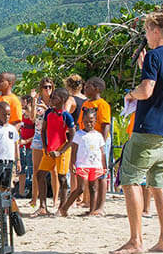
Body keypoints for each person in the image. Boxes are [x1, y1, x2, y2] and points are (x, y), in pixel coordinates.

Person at [115, 11, 163, 254]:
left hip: (147, 127)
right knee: (159, 185)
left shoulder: (154, 56)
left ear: (156, 30)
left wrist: (130, 94)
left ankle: (136, 240)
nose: (145, 35)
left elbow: (147, 90)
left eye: (146, 30)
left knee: (131, 180)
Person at [34, 87, 75, 217]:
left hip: (62, 149)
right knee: (40, 174)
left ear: (62, 100)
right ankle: (42, 206)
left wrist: (61, 151)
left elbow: (72, 136)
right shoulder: (48, 113)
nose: (52, 99)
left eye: (55, 97)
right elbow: (43, 130)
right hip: (50, 148)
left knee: (62, 177)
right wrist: (45, 146)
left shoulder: (66, 116)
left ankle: (62, 207)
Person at [59, 107, 107, 217]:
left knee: (93, 188)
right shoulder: (79, 135)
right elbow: (74, 150)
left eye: (91, 121)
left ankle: (91, 211)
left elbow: (102, 152)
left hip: (95, 165)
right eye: (85, 122)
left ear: (95, 121)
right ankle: (65, 208)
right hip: (82, 165)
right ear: (82, 122)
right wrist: (72, 164)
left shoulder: (98, 135)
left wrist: (104, 166)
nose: (88, 124)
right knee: (80, 188)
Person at [80, 77, 112, 213]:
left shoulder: (102, 104)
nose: (85, 89)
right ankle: (91, 205)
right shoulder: (85, 104)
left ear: (96, 89)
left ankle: (100, 206)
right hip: (87, 140)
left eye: (87, 87)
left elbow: (105, 125)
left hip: (99, 141)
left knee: (101, 173)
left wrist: (102, 145)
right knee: (91, 172)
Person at [0, 101, 21, 200]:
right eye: (4, 114)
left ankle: (5, 210)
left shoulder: (12, 129)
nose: (6, 117)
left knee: (6, 187)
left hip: (8, 161)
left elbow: (16, 145)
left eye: (8, 114)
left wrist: (18, 161)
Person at [30, 77, 54, 209]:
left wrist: (47, 108)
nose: (48, 89)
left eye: (50, 87)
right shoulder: (37, 102)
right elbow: (33, 118)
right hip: (38, 136)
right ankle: (34, 198)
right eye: (45, 87)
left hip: (51, 137)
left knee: (53, 171)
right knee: (36, 169)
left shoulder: (54, 101)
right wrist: (34, 102)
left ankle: (55, 199)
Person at [17, 95, 35, 197]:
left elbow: (38, 134)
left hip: (31, 146)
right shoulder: (22, 116)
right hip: (22, 146)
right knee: (22, 169)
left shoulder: (33, 117)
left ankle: (33, 192)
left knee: (32, 170)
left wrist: (26, 141)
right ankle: (21, 192)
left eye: (22, 103)